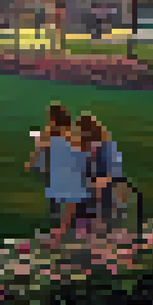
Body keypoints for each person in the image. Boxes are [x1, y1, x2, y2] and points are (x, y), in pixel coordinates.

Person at [28, 102, 89, 239]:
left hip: (60, 170)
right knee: (69, 201)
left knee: (61, 202)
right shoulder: (72, 132)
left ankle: (61, 231)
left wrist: (32, 161)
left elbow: (42, 148)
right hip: (71, 169)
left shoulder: (52, 131)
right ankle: (66, 229)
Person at [76, 110, 124, 230]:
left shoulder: (106, 147)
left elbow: (114, 171)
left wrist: (101, 181)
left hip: (102, 191)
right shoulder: (81, 147)